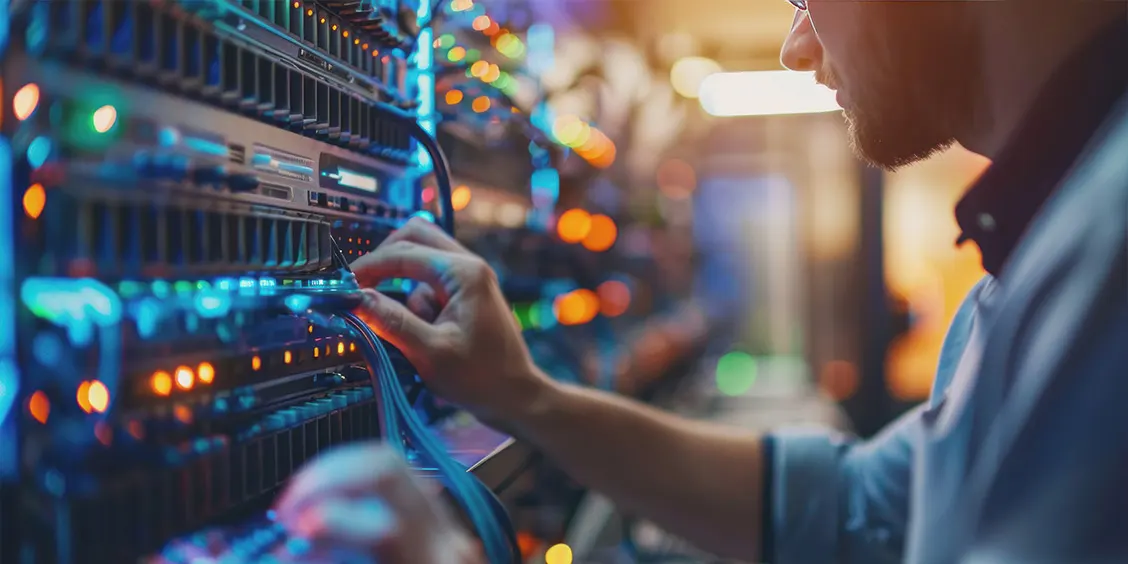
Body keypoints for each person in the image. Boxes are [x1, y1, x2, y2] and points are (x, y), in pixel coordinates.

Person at [274, 1, 1128, 562]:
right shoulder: (1043, 244)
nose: (797, 47)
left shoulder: (1106, 247)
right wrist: (523, 396)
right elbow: (861, 508)